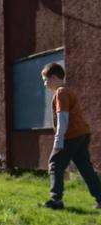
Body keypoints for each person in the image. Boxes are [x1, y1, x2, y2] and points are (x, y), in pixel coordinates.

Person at [41, 62, 101, 209]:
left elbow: (63, 118)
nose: (44, 84)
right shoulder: (68, 91)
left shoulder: (61, 92)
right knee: (85, 168)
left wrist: (58, 141)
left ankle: (56, 200)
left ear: (54, 77)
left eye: (45, 80)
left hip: (71, 136)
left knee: (54, 164)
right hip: (82, 134)